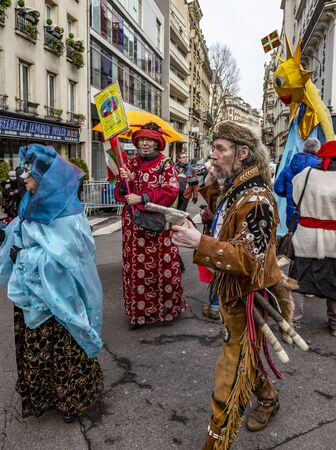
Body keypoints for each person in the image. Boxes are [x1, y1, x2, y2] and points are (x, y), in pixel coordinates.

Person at [171, 121, 296, 450]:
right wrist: (211, 187)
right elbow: (226, 220)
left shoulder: (257, 198)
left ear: (242, 153)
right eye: (213, 149)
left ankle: (215, 442)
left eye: (220, 150)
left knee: (229, 372)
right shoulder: (236, 188)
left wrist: (199, 241)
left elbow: (248, 258)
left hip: (248, 296)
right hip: (233, 294)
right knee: (246, 357)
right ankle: (268, 398)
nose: (213, 156)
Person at [0, 144, 103, 422]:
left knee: (62, 354)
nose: (24, 178)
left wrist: (23, 255)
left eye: (29, 173)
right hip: (32, 293)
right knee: (36, 353)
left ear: (45, 177)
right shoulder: (33, 202)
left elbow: (65, 261)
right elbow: (20, 232)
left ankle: (73, 400)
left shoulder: (67, 215)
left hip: (58, 300)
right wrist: (7, 238)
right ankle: (45, 397)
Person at [115, 122, 186, 330]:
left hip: (156, 226)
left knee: (159, 269)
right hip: (132, 227)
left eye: (150, 140)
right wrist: (124, 181)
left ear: (157, 143)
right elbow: (121, 194)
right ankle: (137, 314)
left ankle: (164, 311)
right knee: (135, 269)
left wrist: (143, 197)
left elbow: (171, 191)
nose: (145, 144)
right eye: (142, 140)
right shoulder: (131, 163)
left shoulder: (165, 164)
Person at [290, 140, 336, 335]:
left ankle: (294, 321)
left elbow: (294, 198)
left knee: (298, 281)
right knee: (334, 281)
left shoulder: (305, 175)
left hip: (305, 237)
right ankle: (334, 324)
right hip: (334, 239)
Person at [274, 138, 321, 230]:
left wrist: (290, 194)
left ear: (303, 148)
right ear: (317, 150)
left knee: (292, 242)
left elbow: (278, 188)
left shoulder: (289, 167)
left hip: (292, 217)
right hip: (312, 218)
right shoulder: (320, 167)